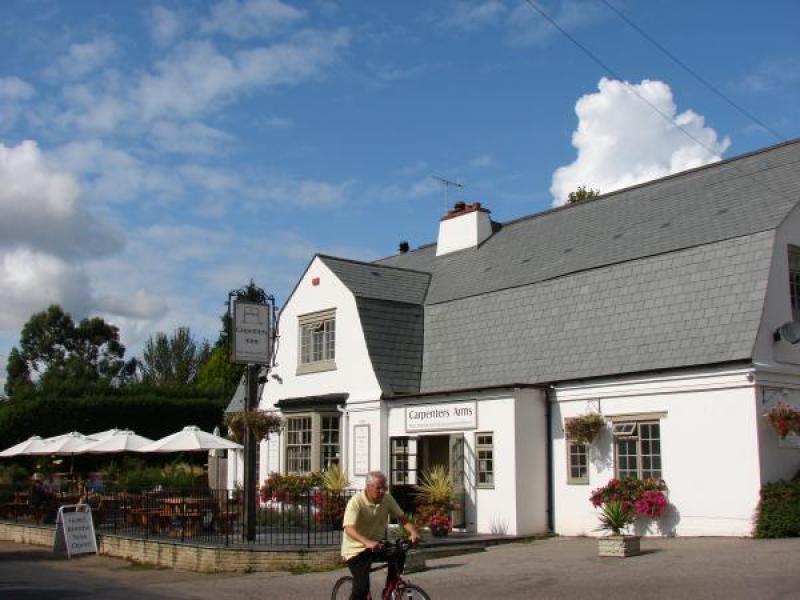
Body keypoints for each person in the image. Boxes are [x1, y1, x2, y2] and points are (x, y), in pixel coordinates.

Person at [341, 471, 420, 600]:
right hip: (355, 550)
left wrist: (413, 532)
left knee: (399, 552)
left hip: (376, 545)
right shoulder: (356, 502)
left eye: (385, 488)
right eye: (379, 488)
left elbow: (402, 518)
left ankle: (389, 591)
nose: (382, 491)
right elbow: (349, 529)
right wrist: (367, 542)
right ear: (368, 487)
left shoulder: (387, 499)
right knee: (361, 588)